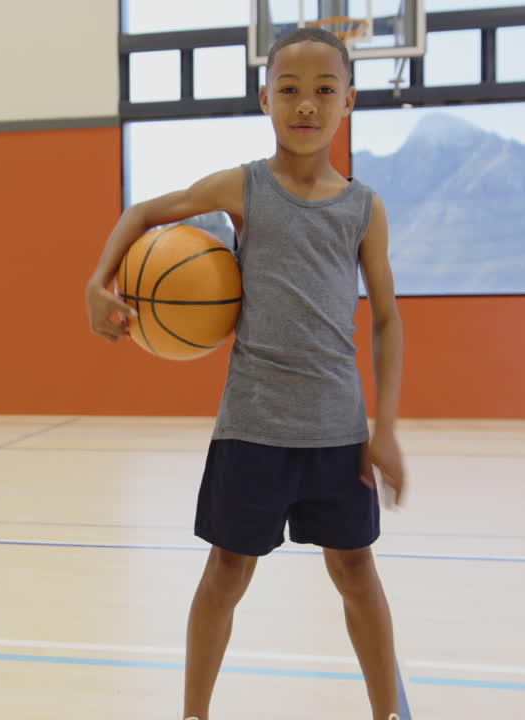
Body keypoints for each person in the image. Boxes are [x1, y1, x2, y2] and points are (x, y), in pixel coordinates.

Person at [85, 27, 409, 720]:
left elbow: (386, 319)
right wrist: (98, 281)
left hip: (337, 429)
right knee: (227, 572)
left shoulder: (363, 207)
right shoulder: (245, 187)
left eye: (324, 91)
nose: (306, 105)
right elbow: (145, 212)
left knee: (356, 571)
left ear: (348, 101)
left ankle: (389, 714)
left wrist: (385, 431)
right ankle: (194, 714)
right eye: (289, 90)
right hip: (254, 425)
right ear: (265, 98)